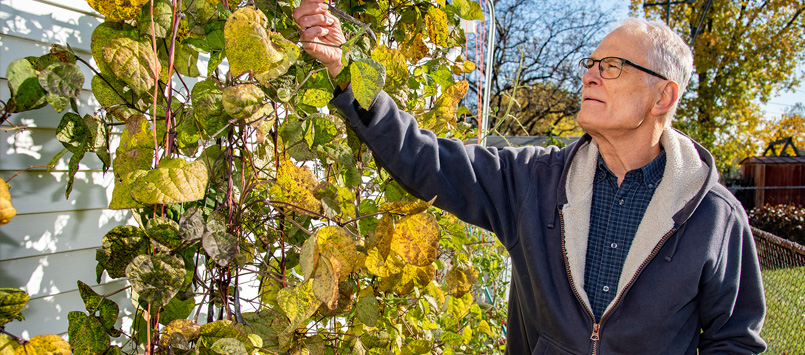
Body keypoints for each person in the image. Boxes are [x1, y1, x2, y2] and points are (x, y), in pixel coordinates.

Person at [293, 1, 767, 353]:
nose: (590, 76)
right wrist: (345, 70)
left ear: (663, 97)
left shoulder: (715, 217)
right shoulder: (533, 182)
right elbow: (424, 158)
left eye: (613, 67)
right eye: (591, 65)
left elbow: (734, 340)